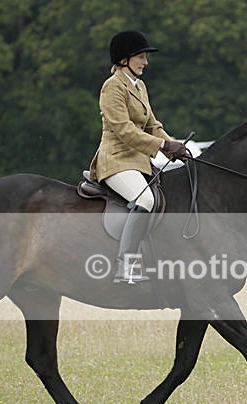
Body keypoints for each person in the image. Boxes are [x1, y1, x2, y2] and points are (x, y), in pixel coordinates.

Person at [87, 30, 189, 283]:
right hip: (116, 160)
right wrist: (163, 144)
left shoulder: (139, 86)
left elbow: (152, 125)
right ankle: (125, 266)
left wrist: (174, 146)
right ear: (124, 59)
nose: (145, 62)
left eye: (145, 57)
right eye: (140, 56)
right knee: (146, 200)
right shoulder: (112, 87)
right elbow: (124, 130)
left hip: (139, 160)